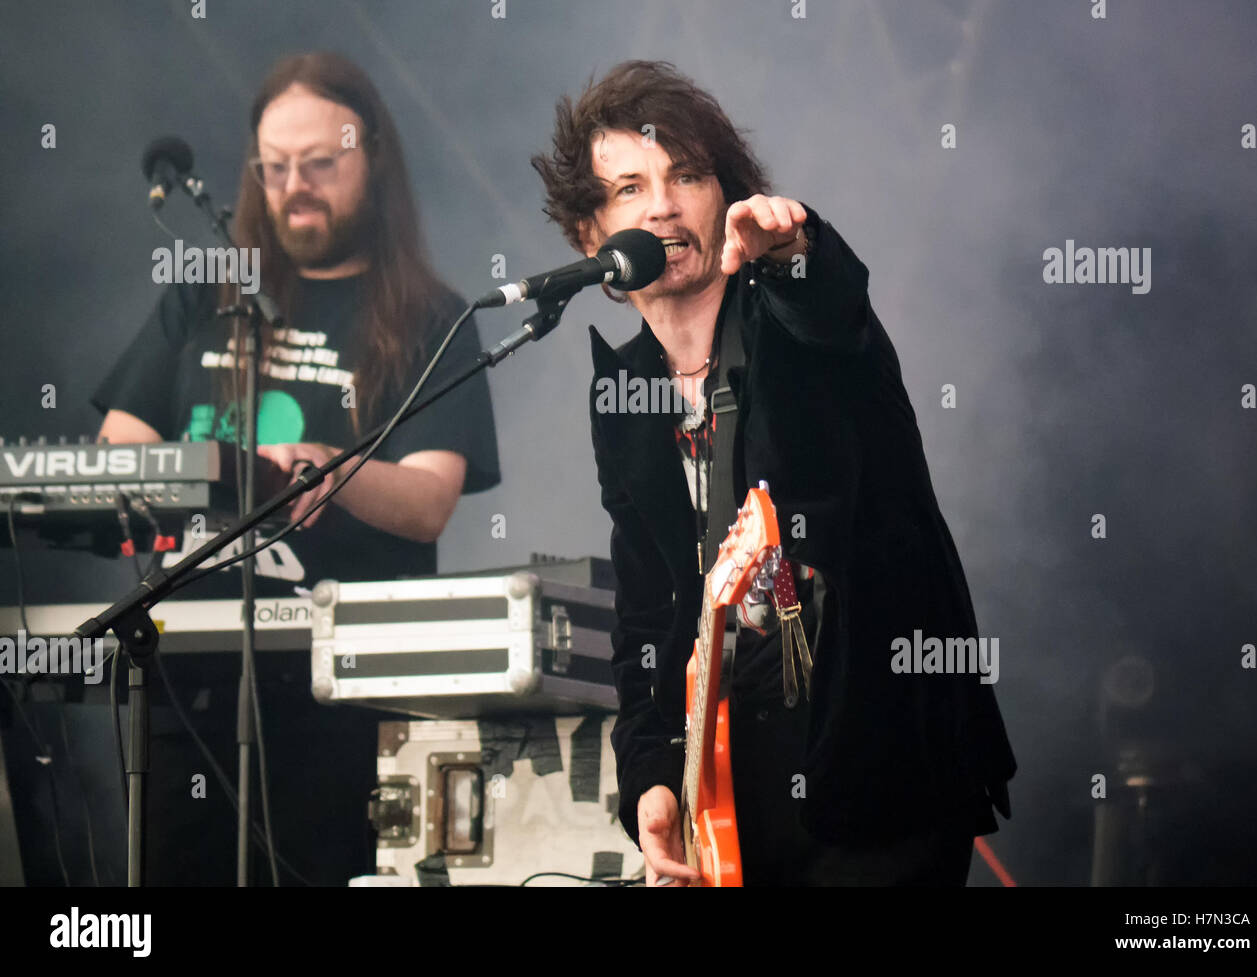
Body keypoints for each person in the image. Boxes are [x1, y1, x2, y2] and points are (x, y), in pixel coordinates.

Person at [532, 60, 1016, 886]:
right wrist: (649, 777)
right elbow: (648, 611)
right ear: (591, 235)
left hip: (875, 759)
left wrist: (794, 244)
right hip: (735, 784)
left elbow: (831, 301)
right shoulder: (626, 391)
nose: (662, 205)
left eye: (687, 175)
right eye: (629, 189)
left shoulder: (791, 328)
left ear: (724, 194)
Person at [90, 51, 501, 885]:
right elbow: (113, 461)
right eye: (274, 167)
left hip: (342, 698)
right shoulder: (202, 297)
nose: (294, 185)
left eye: (319, 163)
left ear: (372, 158)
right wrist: (219, 468)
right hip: (185, 683)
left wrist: (330, 471)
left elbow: (428, 501)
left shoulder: (433, 317)